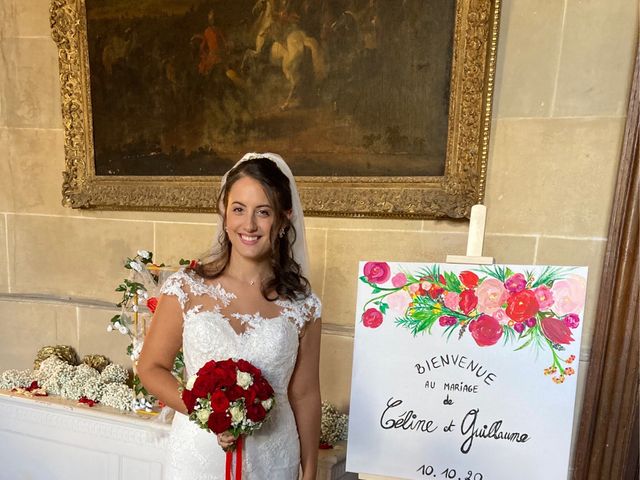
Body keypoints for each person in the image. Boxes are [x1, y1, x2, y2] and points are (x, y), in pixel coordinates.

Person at [137, 152, 322, 479]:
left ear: (284, 219)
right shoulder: (186, 288)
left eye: (263, 212)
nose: (249, 225)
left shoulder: (302, 305)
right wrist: (206, 413)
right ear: (224, 214)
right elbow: (151, 368)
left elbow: (305, 394)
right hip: (198, 454)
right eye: (239, 209)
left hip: (273, 456)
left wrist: (309, 472)